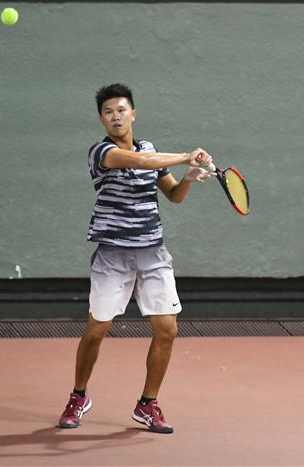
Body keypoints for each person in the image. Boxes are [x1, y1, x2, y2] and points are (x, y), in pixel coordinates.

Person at [58, 83, 214, 434]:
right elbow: (141, 162)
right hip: (113, 255)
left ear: (133, 114)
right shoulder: (102, 152)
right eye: (108, 112)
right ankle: (78, 396)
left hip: (152, 253)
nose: (115, 117)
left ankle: (147, 404)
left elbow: (173, 195)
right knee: (97, 329)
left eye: (121, 110)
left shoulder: (150, 148)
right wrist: (185, 156)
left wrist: (187, 178)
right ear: (102, 119)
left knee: (167, 330)